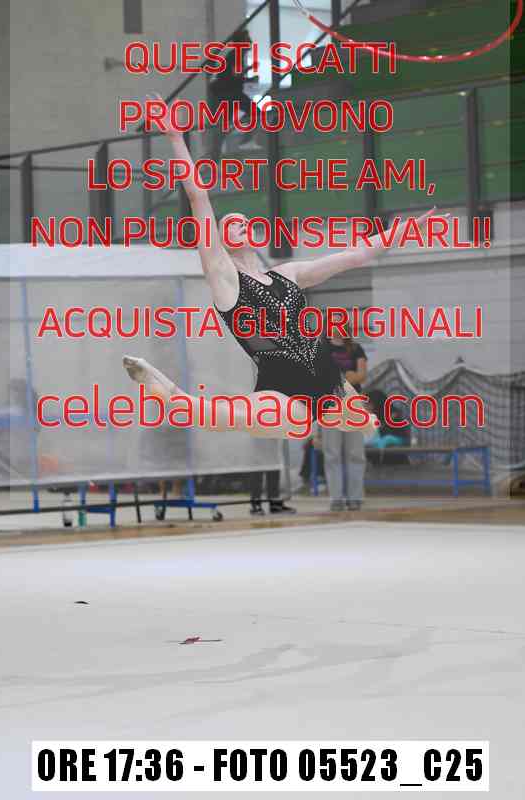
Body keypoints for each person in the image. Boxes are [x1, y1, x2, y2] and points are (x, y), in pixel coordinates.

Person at [123, 95, 435, 441]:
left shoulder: (288, 274)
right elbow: (198, 196)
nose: (240, 223)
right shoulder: (226, 278)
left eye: (244, 220)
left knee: (363, 423)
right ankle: (170, 394)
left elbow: (356, 255)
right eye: (230, 223)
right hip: (282, 387)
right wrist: (176, 139)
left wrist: (402, 232)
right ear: (219, 240)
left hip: (328, 378)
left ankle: (360, 424)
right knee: (243, 420)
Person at [316, 330, 368, 512]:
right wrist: (347, 376)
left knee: (355, 453)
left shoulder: (356, 349)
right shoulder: (320, 348)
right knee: (332, 454)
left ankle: (355, 497)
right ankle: (336, 498)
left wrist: (344, 377)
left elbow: (361, 375)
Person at [207, 28, 261, 156]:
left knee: (224, 127)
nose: (250, 42)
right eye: (247, 39)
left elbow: (233, 75)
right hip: (228, 94)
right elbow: (235, 76)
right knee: (256, 113)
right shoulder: (236, 55)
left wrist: (247, 75)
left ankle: (215, 155)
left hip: (228, 93)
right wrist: (249, 76)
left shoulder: (236, 55)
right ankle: (245, 141)